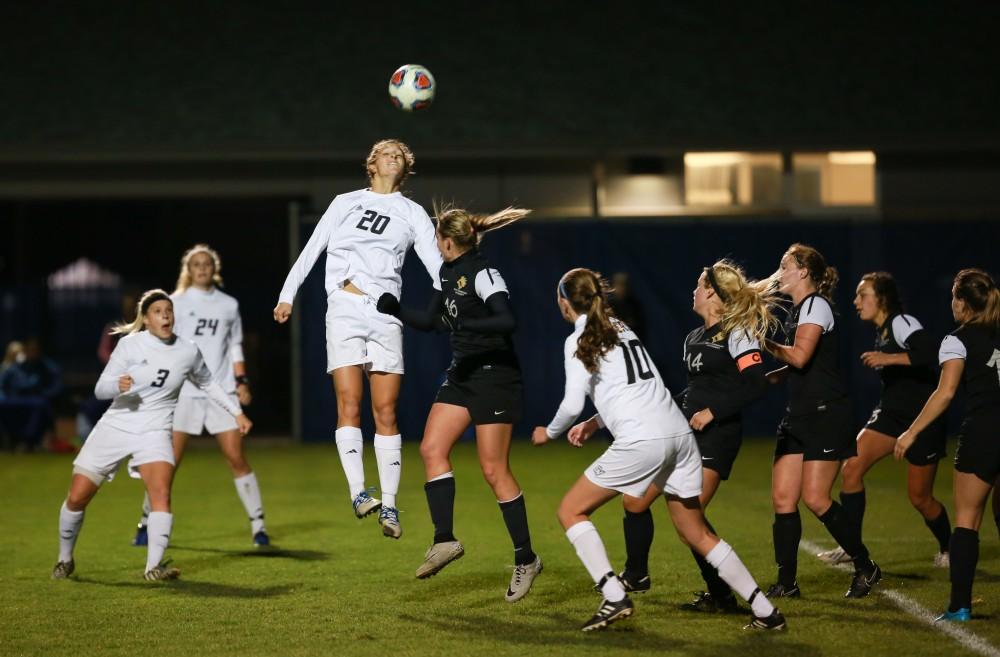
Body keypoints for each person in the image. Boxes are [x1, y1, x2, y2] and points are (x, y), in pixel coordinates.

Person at [532, 267, 785, 632]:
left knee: (571, 511)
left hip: (646, 440)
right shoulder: (622, 328)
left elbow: (571, 405)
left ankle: (615, 594)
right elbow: (641, 387)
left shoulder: (579, 339)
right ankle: (765, 611)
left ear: (564, 302)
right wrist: (595, 422)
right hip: (679, 436)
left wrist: (549, 432)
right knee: (694, 530)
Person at [273, 139, 442, 539]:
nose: (393, 159)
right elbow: (312, 250)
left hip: (386, 314)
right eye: (387, 153)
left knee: (386, 411)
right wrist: (287, 294)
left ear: (405, 168)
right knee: (349, 402)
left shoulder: (412, 213)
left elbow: (436, 268)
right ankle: (357, 493)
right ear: (371, 163)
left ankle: (392, 506)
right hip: (346, 307)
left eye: (400, 156)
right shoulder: (344, 201)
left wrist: (455, 297)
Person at [377, 204, 542, 602]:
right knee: (432, 449)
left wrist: (465, 324)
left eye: (436, 237)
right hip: (462, 374)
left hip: (495, 376)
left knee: (493, 469)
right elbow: (434, 320)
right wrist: (397, 309)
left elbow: (507, 321)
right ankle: (445, 540)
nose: (435, 242)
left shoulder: (484, 273)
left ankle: (526, 558)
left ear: (447, 241)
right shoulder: (446, 273)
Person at [51, 289, 252, 581]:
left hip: (155, 429)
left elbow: (210, 384)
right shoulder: (130, 345)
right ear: (145, 320)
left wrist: (237, 413)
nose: (166, 315)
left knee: (161, 494)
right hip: (117, 425)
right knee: (78, 497)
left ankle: (153, 568)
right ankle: (64, 558)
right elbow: (100, 388)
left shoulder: (188, 350)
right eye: (158, 311)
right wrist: (117, 385)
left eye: (168, 310)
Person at [618, 261, 778, 613]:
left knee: (690, 522)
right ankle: (638, 574)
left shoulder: (736, 334)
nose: (692, 291)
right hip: (683, 437)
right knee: (635, 501)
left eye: (698, 285)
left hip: (717, 438)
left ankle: (739, 600)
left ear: (711, 293)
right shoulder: (694, 337)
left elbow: (757, 384)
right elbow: (693, 394)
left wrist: (713, 412)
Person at [762, 244, 880, 599]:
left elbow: (800, 356)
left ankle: (865, 564)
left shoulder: (816, 305)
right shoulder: (799, 310)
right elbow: (805, 363)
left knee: (815, 497)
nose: (779, 272)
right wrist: (776, 376)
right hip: (799, 414)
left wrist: (762, 343)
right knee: (783, 497)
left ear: (803, 272)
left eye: (785, 265)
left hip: (825, 413)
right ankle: (787, 583)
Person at [132, 245, 267, 548]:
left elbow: (234, 346)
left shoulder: (229, 304)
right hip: (183, 392)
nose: (202, 268)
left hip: (221, 389)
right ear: (188, 270)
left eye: (206, 263)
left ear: (214, 268)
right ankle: (145, 522)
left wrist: (241, 380)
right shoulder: (175, 302)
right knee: (167, 461)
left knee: (236, 457)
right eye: (196, 264)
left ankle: (259, 527)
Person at [816, 272, 951, 568]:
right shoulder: (883, 332)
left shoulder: (902, 322)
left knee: (920, 498)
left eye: (863, 295)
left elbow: (930, 351)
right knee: (851, 467)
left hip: (922, 419)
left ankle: (950, 547)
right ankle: (852, 548)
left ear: (882, 299)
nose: (856, 301)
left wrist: (887, 359)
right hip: (890, 416)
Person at [895, 268, 1000, 622]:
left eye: (954, 296)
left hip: (984, 432)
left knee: (968, 521)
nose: (950, 303)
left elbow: (946, 393)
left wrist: (911, 431)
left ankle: (959, 606)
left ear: (963, 302)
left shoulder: (957, 339)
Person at [0, 337, 62, 452]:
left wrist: (45, 394)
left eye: (34, 350)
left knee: (40, 407)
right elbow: (3, 384)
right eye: (29, 350)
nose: (31, 353)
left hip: (38, 401)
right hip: (15, 400)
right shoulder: (16, 367)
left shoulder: (47, 367)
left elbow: (56, 387)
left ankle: (30, 441)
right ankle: (10, 440)